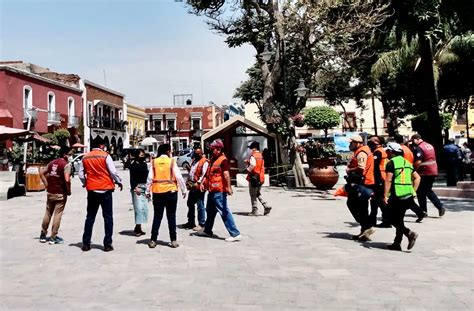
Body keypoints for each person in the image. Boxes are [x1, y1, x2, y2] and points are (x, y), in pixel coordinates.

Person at [79, 136, 123, 252]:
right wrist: (119, 181)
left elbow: (80, 174)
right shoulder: (105, 156)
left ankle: (86, 244)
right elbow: (113, 172)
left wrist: (85, 183)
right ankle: (107, 244)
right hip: (106, 190)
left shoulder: (85, 157)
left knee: (90, 217)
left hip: (92, 190)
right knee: (108, 217)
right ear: (101, 145)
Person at [196, 139, 242, 242]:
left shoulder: (223, 160)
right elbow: (208, 174)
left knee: (224, 211)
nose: (212, 151)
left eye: (214, 149)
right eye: (212, 149)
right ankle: (207, 230)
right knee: (210, 211)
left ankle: (235, 233)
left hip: (219, 191)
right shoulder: (213, 159)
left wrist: (229, 187)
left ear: (219, 149)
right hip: (212, 190)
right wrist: (203, 182)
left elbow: (226, 175)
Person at [146, 144, 187, 249]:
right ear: (168, 151)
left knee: (157, 216)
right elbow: (179, 176)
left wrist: (147, 191)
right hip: (171, 192)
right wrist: (184, 190)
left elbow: (149, 178)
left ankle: (153, 240)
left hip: (158, 192)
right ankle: (173, 240)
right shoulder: (172, 161)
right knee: (171, 216)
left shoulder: (154, 162)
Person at [383, 142, 420, 251]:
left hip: (396, 195)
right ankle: (397, 243)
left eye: (387, 151)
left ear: (392, 152)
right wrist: (413, 191)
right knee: (399, 219)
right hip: (408, 195)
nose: (387, 153)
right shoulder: (407, 163)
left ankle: (409, 233)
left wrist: (385, 195)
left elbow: (388, 180)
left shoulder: (391, 163)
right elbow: (417, 178)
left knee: (390, 218)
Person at [39, 145, 72, 245]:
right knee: (58, 215)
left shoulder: (52, 162)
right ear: (65, 154)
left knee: (48, 213)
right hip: (60, 193)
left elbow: (41, 172)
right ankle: (53, 237)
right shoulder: (66, 165)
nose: (70, 156)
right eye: (70, 154)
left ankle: (43, 235)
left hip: (50, 192)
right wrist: (69, 190)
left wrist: (46, 185)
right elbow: (66, 179)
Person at [345, 134, 375, 241]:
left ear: (357, 143)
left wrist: (350, 170)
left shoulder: (361, 152)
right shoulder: (362, 150)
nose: (350, 144)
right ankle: (364, 232)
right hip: (366, 182)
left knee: (352, 204)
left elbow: (361, 168)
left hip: (362, 182)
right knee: (362, 207)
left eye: (351, 142)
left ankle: (367, 226)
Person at [394, 134, 427, 222]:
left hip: (402, 174)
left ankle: (395, 217)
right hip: (408, 172)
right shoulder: (408, 149)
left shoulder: (400, 150)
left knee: (402, 198)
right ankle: (420, 212)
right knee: (407, 199)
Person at [411, 134, 445, 217]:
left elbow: (418, 161)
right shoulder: (429, 145)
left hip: (424, 171)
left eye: (413, 140)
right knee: (427, 190)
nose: (412, 142)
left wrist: (414, 170)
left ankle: (425, 210)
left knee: (422, 191)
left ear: (417, 139)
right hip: (432, 170)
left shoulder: (419, 147)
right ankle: (437, 207)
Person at [181, 147, 208, 231]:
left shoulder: (204, 162)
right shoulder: (194, 161)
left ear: (202, 153)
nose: (197, 154)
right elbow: (193, 172)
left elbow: (204, 174)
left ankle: (201, 223)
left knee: (200, 205)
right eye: (196, 153)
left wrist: (199, 183)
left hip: (199, 186)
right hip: (192, 185)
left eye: (199, 153)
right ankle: (191, 222)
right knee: (190, 203)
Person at [367, 136, 390, 227]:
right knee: (374, 200)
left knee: (379, 200)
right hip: (379, 178)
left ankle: (387, 220)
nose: (370, 141)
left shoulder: (378, 152)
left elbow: (373, 165)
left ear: (377, 142)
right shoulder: (379, 151)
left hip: (379, 178)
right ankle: (372, 220)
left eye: (372, 140)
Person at [245, 141, 272, 216]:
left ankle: (254, 210)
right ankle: (266, 205)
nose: (251, 150)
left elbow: (253, 165)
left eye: (252, 148)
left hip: (254, 178)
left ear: (254, 148)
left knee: (253, 195)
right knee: (258, 193)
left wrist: (247, 169)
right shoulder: (260, 155)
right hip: (261, 177)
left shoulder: (253, 156)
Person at [129, 148, 149, 237]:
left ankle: (138, 227)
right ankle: (138, 227)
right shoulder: (133, 165)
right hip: (137, 187)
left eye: (143, 154)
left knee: (144, 208)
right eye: (141, 154)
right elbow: (132, 178)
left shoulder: (144, 164)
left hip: (144, 187)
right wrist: (135, 187)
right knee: (138, 208)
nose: (142, 156)